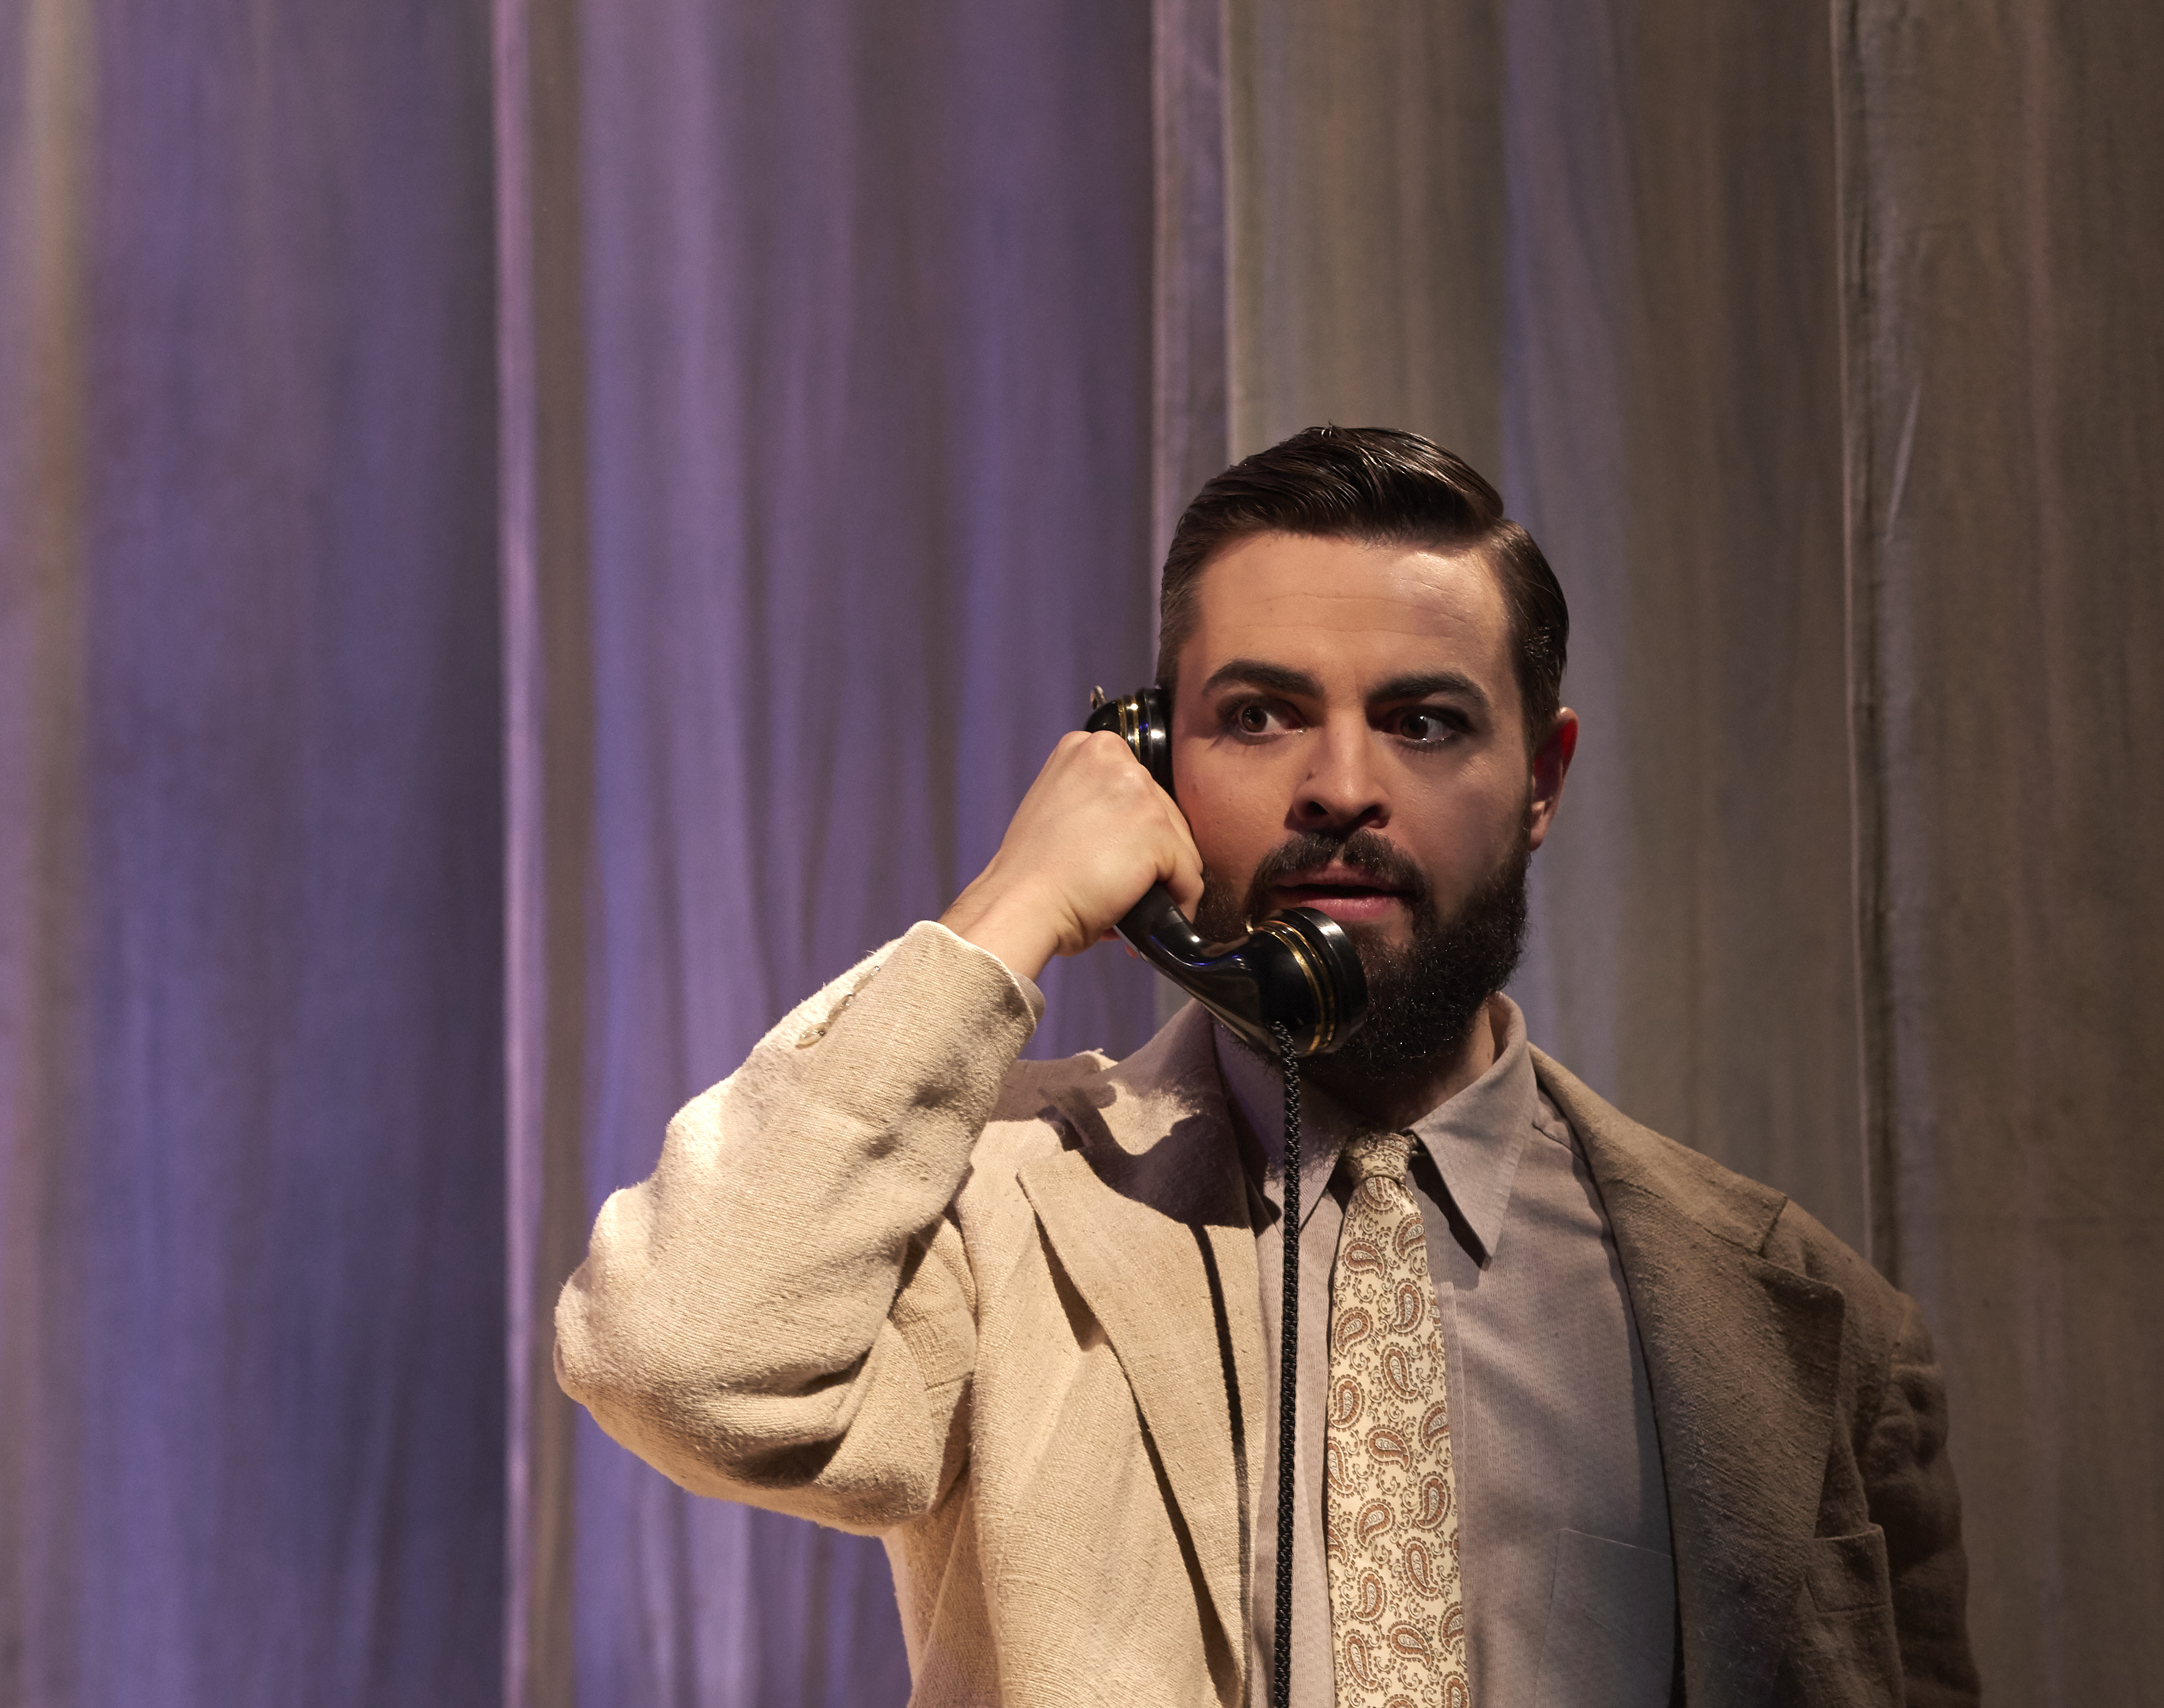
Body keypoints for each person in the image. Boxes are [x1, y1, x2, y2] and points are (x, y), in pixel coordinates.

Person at [553, 427, 1976, 1708]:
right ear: (1148, 759)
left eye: (1422, 722)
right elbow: (680, 1363)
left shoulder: (1812, 1324)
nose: (1341, 786)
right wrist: (1006, 912)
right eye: (1258, 716)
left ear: (1541, 779)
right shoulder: (988, 1219)